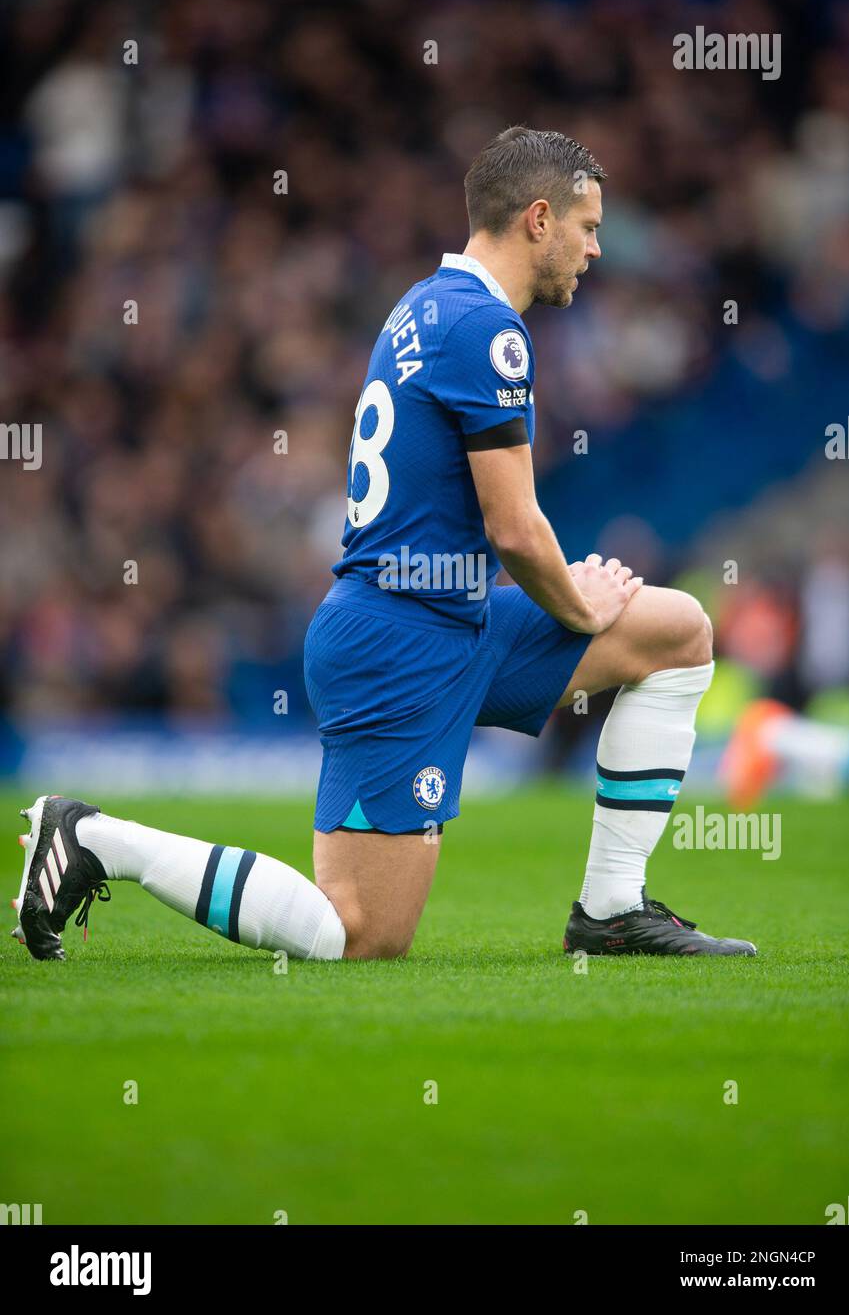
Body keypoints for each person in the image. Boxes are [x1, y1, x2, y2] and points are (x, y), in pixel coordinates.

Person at [13, 127, 756, 962]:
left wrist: (577, 600)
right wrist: (580, 601)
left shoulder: (427, 303)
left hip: (452, 619)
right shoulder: (489, 332)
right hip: (397, 644)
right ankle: (93, 839)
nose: (595, 248)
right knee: (358, 934)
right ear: (538, 220)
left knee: (677, 632)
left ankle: (612, 909)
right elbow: (512, 528)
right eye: (587, 227)